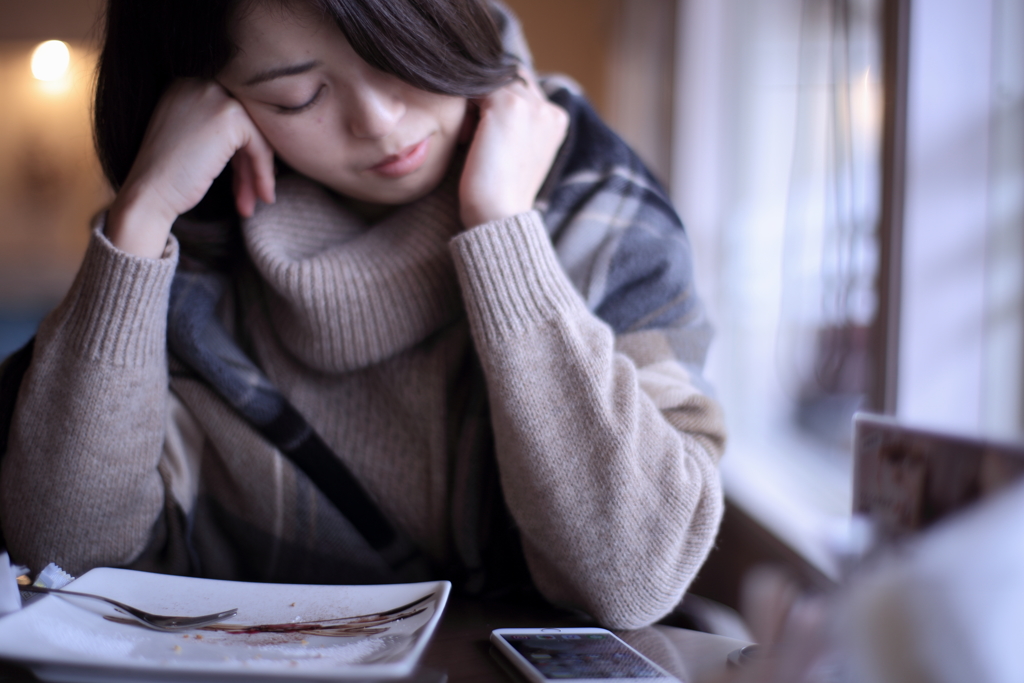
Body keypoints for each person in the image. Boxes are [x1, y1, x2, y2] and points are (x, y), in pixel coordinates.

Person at [0, 0, 725, 630]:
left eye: (397, 52)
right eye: (298, 96)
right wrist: (142, 213)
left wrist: (503, 230)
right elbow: (64, 555)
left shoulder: (596, 198)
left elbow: (637, 573)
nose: (379, 122)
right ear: (212, 99)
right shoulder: (184, 257)